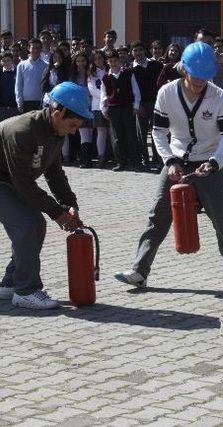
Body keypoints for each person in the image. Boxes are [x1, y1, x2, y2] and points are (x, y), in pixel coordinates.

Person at [114, 42, 223, 292]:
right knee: (157, 216)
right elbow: (158, 131)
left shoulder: (219, 96)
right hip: (175, 160)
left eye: (205, 77)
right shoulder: (166, 93)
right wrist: (170, 161)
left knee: (222, 219)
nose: (200, 83)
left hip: (210, 162)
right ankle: (139, 271)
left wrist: (214, 163)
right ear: (184, 70)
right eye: (196, 76)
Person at [0, 82, 92, 309]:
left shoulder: (55, 130)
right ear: (57, 113)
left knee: (35, 225)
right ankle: (26, 290)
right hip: (8, 181)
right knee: (28, 224)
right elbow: (23, 184)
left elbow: (54, 171)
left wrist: (68, 203)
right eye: (72, 125)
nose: (73, 131)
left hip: (9, 180)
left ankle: (11, 283)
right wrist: (56, 212)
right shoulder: (21, 131)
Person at [100, 49, 141, 171]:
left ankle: (136, 162)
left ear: (119, 61)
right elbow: (104, 95)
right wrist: (104, 109)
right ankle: (120, 162)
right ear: (108, 62)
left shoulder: (128, 73)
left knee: (131, 135)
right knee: (117, 137)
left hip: (127, 108)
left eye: (115, 60)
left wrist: (136, 106)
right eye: (111, 61)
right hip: (113, 109)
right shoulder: (106, 78)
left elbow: (136, 91)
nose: (113, 63)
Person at [131, 40, 164, 168]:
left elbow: (162, 83)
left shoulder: (156, 65)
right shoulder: (129, 69)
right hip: (140, 105)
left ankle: (158, 159)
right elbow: (130, 90)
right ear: (132, 53)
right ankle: (145, 159)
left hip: (156, 103)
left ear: (145, 51)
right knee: (141, 134)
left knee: (157, 132)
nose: (138, 53)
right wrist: (137, 106)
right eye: (135, 50)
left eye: (140, 49)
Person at [87, 49, 109, 167]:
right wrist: (104, 99)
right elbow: (92, 91)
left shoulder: (109, 70)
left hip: (111, 105)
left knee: (111, 132)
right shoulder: (91, 74)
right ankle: (101, 156)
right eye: (96, 59)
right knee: (101, 131)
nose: (98, 61)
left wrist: (109, 99)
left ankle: (112, 155)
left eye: (100, 58)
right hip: (97, 106)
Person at [15, 38, 47, 113]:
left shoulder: (46, 65)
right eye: (33, 48)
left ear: (41, 49)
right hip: (26, 102)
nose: (35, 50)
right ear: (29, 48)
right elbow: (18, 85)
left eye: (38, 48)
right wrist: (19, 102)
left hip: (41, 102)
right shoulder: (22, 65)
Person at [0, 51, 17, 122]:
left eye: (8, 60)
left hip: (15, 106)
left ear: (12, 60)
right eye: (4, 61)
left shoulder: (17, 71)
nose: (6, 63)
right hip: (2, 107)